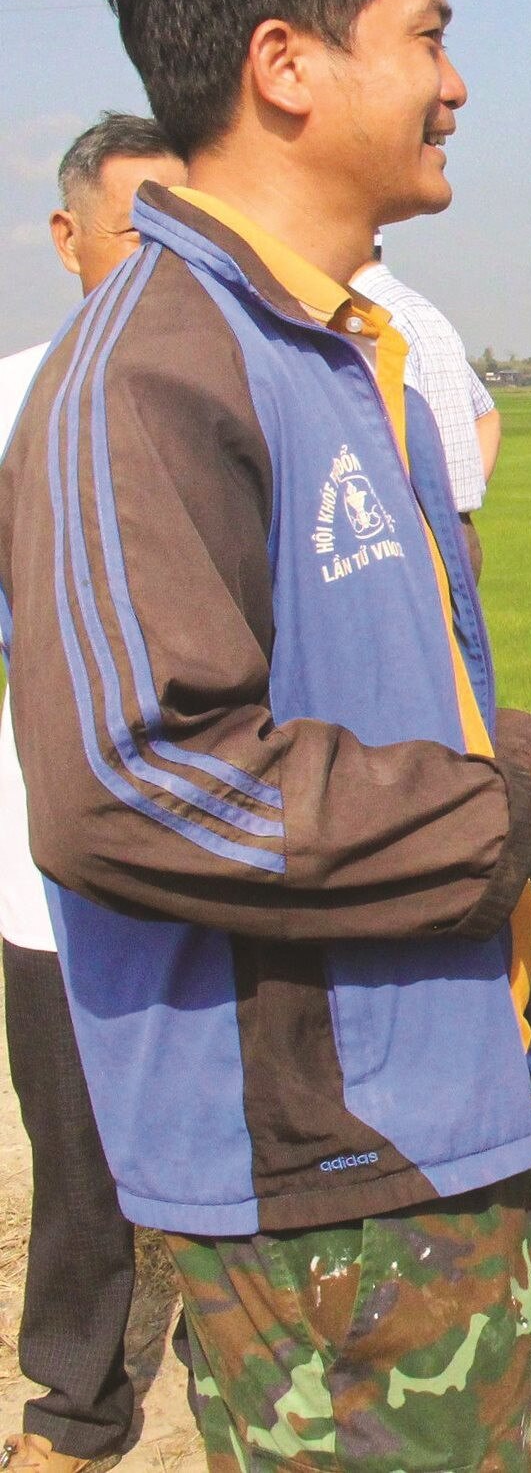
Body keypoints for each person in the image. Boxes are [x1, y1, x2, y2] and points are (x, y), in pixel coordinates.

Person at [0, 0, 531, 1473]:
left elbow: (365, 693)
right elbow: (131, 782)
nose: (458, 82)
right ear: (287, 63)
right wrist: (515, 823)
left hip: (418, 1122)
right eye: (432, 31)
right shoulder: (147, 373)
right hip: (324, 1165)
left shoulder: (335, 347)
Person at [0, 113, 183, 1473]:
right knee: (75, 1152)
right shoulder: (14, 397)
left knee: (237, 1110)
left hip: (227, 847)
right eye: (137, 223)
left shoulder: (239, 375)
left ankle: (241, 1359)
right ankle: (77, 1399)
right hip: (51, 858)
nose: (163, 254)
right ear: (68, 240)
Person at [352, 240, 501, 576]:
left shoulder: (363, 317)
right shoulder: (422, 311)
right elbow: (487, 415)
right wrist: (459, 493)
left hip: (407, 543)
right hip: (458, 534)